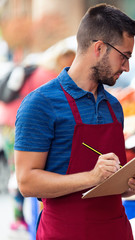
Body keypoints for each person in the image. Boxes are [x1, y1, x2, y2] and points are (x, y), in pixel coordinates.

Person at [14, 4, 135, 240]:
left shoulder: (114, 107)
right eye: (124, 56)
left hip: (115, 231)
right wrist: (92, 177)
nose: (127, 67)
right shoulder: (40, 104)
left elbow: (109, 182)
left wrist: (132, 186)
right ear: (99, 48)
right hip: (65, 233)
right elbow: (26, 181)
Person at [0, 46, 75, 234]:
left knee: (15, 170)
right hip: (16, 124)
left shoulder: (37, 70)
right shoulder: (47, 75)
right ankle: (18, 218)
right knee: (20, 172)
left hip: (8, 121)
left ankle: (19, 218)